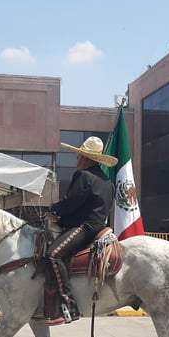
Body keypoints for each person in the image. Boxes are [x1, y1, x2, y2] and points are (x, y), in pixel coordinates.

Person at [45, 136, 116, 325]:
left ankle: (70, 304)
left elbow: (72, 203)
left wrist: (54, 211)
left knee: (53, 255)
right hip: (101, 227)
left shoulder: (83, 176)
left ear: (86, 159)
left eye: (79, 157)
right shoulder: (108, 182)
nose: (77, 160)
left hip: (85, 228)